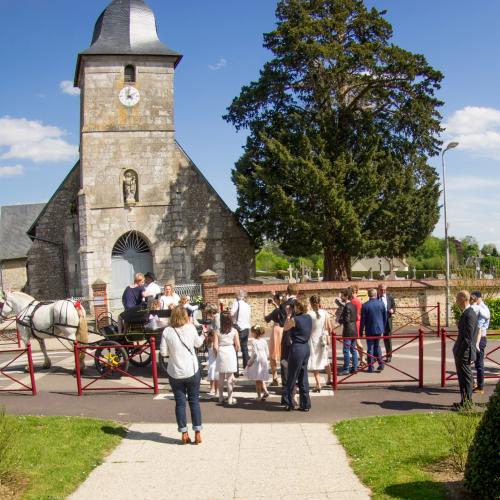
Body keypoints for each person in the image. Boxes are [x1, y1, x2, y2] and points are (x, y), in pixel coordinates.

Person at [159, 305, 205, 444]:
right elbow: (198, 344)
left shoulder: (167, 331)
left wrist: (173, 353)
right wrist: (203, 335)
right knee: (194, 401)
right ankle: (197, 432)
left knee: (180, 403)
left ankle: (184, 433)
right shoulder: (190, 328)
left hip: (175, 372)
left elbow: (163, 352)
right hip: (191, 370)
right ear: (185, 316)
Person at [282, 297, 312, 411]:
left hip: (297, 348)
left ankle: (289, 403)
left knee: (292, 376)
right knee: (303, 376)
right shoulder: (308, 317)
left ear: (298, 307)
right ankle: (305, 404)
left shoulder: (295, 319)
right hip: (305, 347)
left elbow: (285, 328)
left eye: (294, 306)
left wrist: (288, 315)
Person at [453, 290, 478, 408]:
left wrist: (459, 351)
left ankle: (467, 403)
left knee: (466, 378)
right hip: (461, 352)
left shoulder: (469, 314)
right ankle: (464, 401)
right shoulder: (466, 313)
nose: (456, 301)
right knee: (462, 378)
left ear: (463, 298)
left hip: (464, 353)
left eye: (458, 298)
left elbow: (468, 338)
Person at [214, 310, 240, 405]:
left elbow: (215, 346)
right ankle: (230, 398)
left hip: (221, 351)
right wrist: (234, 351)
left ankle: (221, 397)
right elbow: (237, 345)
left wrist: (217, 354)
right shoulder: (234, 331)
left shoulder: (217, 331)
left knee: (221, 377)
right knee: (230, 378)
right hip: (230, 351)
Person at [307, 294, 332, 392]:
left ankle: (318, 384)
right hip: (323, 339)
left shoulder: (309, 314)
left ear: (311, 303)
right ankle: (329, 378)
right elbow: (329, 327)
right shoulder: (324, 312)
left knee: (315, 361)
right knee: (325, 359)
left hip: (313, 339)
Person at [360, 288, 387, 373]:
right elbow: (385, 317)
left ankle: (371, 367)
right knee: (377, 346)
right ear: (376, 295)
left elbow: (362, 320)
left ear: (368, 295)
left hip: (370, 329)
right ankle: (381, 364)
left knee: (370, 348)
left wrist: (361, 330)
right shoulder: (381, 303)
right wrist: (383, 327)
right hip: (379, 329)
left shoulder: (365, 305)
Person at [470, 291, 490, 395]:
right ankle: (473, 383)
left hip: (480, 339)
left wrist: (476, 343)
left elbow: (479, 328)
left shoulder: (483, 310)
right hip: (477, 338)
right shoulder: (480, 308)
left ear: (477, 298)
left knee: (479, 364)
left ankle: (480, 386)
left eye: (473, 299)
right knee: (470, 361)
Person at [264, 292, 286, 386]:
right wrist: (275, 304)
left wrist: (265, 305)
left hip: (276, 331)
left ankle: (275, 377)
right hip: (284, 330)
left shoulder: (276, 312)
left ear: (277, 300)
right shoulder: (286, 309)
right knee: (284, 354)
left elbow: (266, 318)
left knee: (273, 355)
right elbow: (280, 309)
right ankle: (286, 377)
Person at [246, 325, 270, 400]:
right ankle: (265, 391)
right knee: (261, 378)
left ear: (255, 333)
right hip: (264, 358)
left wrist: (250, 362)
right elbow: (267, 352)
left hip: (257, 360)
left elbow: (255, 353)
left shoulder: (254, 341)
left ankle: (259, 396)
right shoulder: (264, 341)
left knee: (257, 379)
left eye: (252, 332)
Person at [230, 290, 251, 376]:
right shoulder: (248, 305)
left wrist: (229, 312)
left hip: (238, 328)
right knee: (244, 349)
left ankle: (236, 371)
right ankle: (246, 369)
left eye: (235, 294)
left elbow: (231, 314)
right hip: (246, 328)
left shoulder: (236, 303)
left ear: (238, 296)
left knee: (235, 348)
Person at [340, 289, 359, 375]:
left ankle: (346, 369)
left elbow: (346, 320)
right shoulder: (353, 305)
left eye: (342, 295)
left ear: (346, 296)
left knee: (346, 350)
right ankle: (354, 367)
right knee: (353, 350)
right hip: (354, 330)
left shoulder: (347, 306)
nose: (341, 297)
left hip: (348, 331)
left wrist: (340, 319)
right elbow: (354, 318)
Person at [378, 284, 396, 362]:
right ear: (378, 289)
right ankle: (376, 356)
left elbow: (394, 306)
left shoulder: (389, 297)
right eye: (381, 289)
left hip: (388, 320)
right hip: (378, 321)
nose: (383, 291)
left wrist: (393, 310)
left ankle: (389, 355)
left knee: (387, 339)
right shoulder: (375, 297)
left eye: (384, 290)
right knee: (376, 339)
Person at [350, 285, 365, 368]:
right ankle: (361, 358)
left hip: (355, 322)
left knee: (357, 342)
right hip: (357, 321)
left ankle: (362, 358)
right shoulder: (359, 300)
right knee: (356, 342)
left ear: (353, 292)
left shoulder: (354, 301)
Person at [205, 329, 219, 397]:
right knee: (215, 376)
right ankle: (215, 389)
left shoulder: (208, 343)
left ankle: (211, 388)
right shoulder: (214, 344)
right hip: (215, 361)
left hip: (210, 361)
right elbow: (216, 353)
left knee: (211, 376)